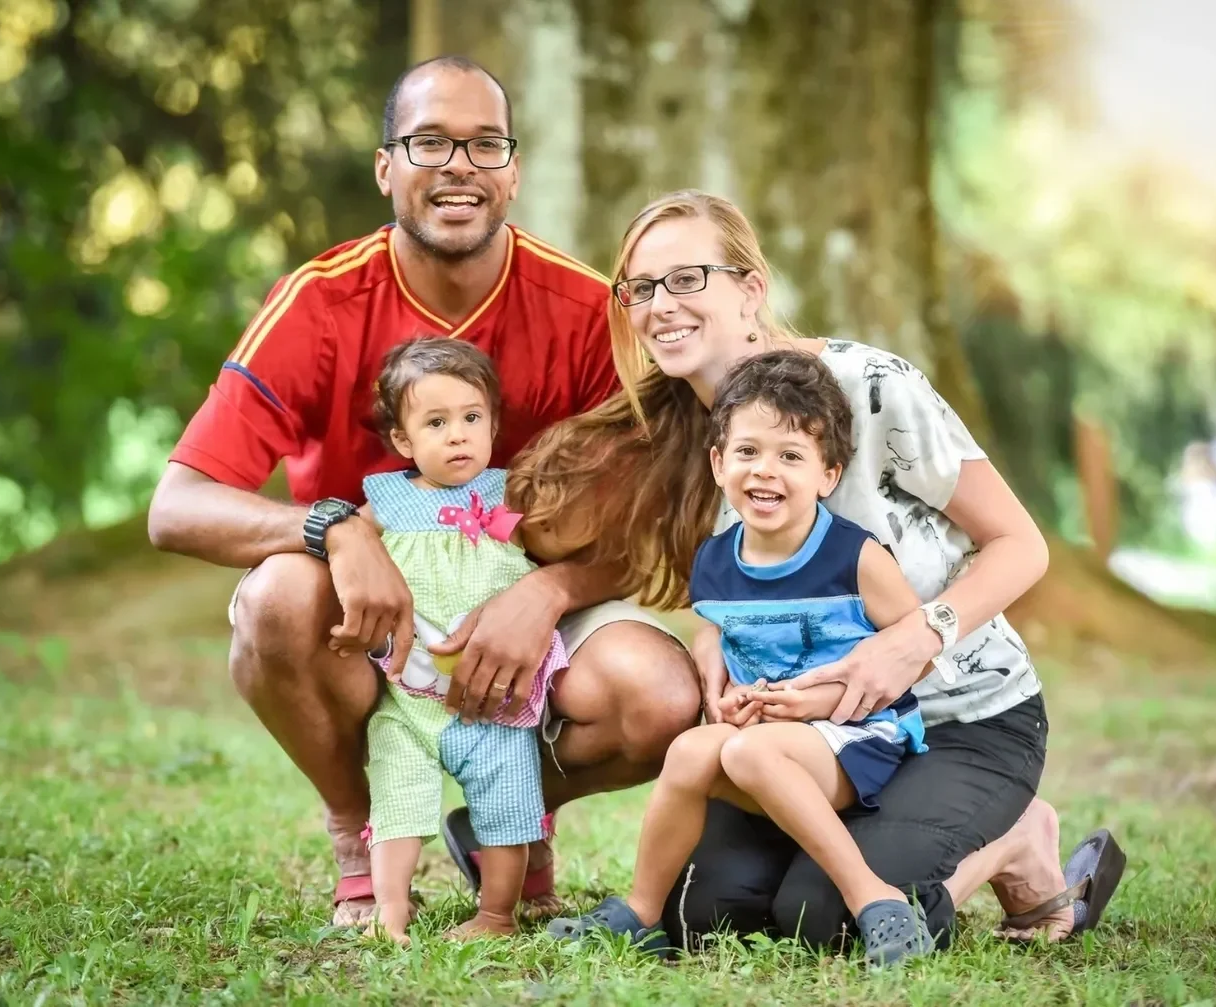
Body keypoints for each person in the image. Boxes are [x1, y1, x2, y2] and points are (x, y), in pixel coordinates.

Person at [146, 56, 699, 927]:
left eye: (485, 145)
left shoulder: (591, 310)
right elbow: (176, 505)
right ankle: (360, 828)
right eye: (430, 142)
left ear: (514, 172)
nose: (459, 167)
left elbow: (647, 515)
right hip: (372, 607)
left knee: (660, 698)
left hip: (534, 608)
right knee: (275, 601)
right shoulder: (322, 302)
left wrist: (546, 590)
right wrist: (338, 530)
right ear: (385, 168)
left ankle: (502, 810)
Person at [507, 190, 1126, 952]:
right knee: (707, 916)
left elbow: (1022, 544)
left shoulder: (869, 388)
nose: (661, 304)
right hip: (804, 738)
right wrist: (713, 656)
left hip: (955, 721)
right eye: (641, 287)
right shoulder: (696, 445)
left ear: (751, 290)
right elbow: (722, 590)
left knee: (825, 920)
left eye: (687, 278)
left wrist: (914, 639)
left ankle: (1016, 838)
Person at [549, 351, 937, 969]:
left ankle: (874, 898)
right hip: (769, 737)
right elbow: (728, 641)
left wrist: (818, 702)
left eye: (791, 456)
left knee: (746, 748)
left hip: (860, 734)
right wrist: (730, 694)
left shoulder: (855, 559)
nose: (766, 471)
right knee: (692, 749)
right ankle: (641, 913)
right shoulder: (714, 562)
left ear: (828, 475)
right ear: (718, 462)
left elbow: (914, 655)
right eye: (749, 451)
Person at [357, 339, 567, 943]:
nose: (458, 436)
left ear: (494, 425)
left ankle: (496, 915)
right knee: (398, 794)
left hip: (496, 695)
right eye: (437, 422)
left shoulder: (514, 492)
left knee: (509, 802)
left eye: (472, 419)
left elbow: (565, 550)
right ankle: (389, 912)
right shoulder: (387, 501)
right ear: (403, 440)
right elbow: (351, 551)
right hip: (410, 696)